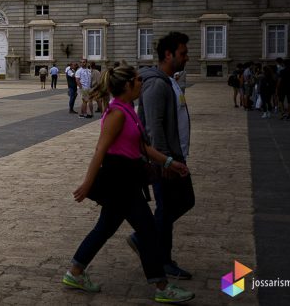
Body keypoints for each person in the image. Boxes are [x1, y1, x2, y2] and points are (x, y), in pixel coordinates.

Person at [63, 63, 194, 304]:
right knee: (148, 231)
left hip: (128, 178)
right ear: (126, 85)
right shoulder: (117, 113)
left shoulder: (127, 108)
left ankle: (75, 272)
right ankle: (161, 286)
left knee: (106, 227)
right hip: (120, 180)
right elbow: (100, 150)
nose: (141, 82)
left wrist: (168, 163)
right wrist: (87, 184)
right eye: (137, 80)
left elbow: (141, 146)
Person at [136, 31, 195, 281]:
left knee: (180, 203)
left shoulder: (170, 80)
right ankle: (161, 257)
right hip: (165, 160)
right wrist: (164, 160)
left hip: (174, 156)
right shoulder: (156, 83)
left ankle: (146, 240)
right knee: (168, 208)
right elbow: (153, 125)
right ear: (168, 55)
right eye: (183, 53)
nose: (187, 58)